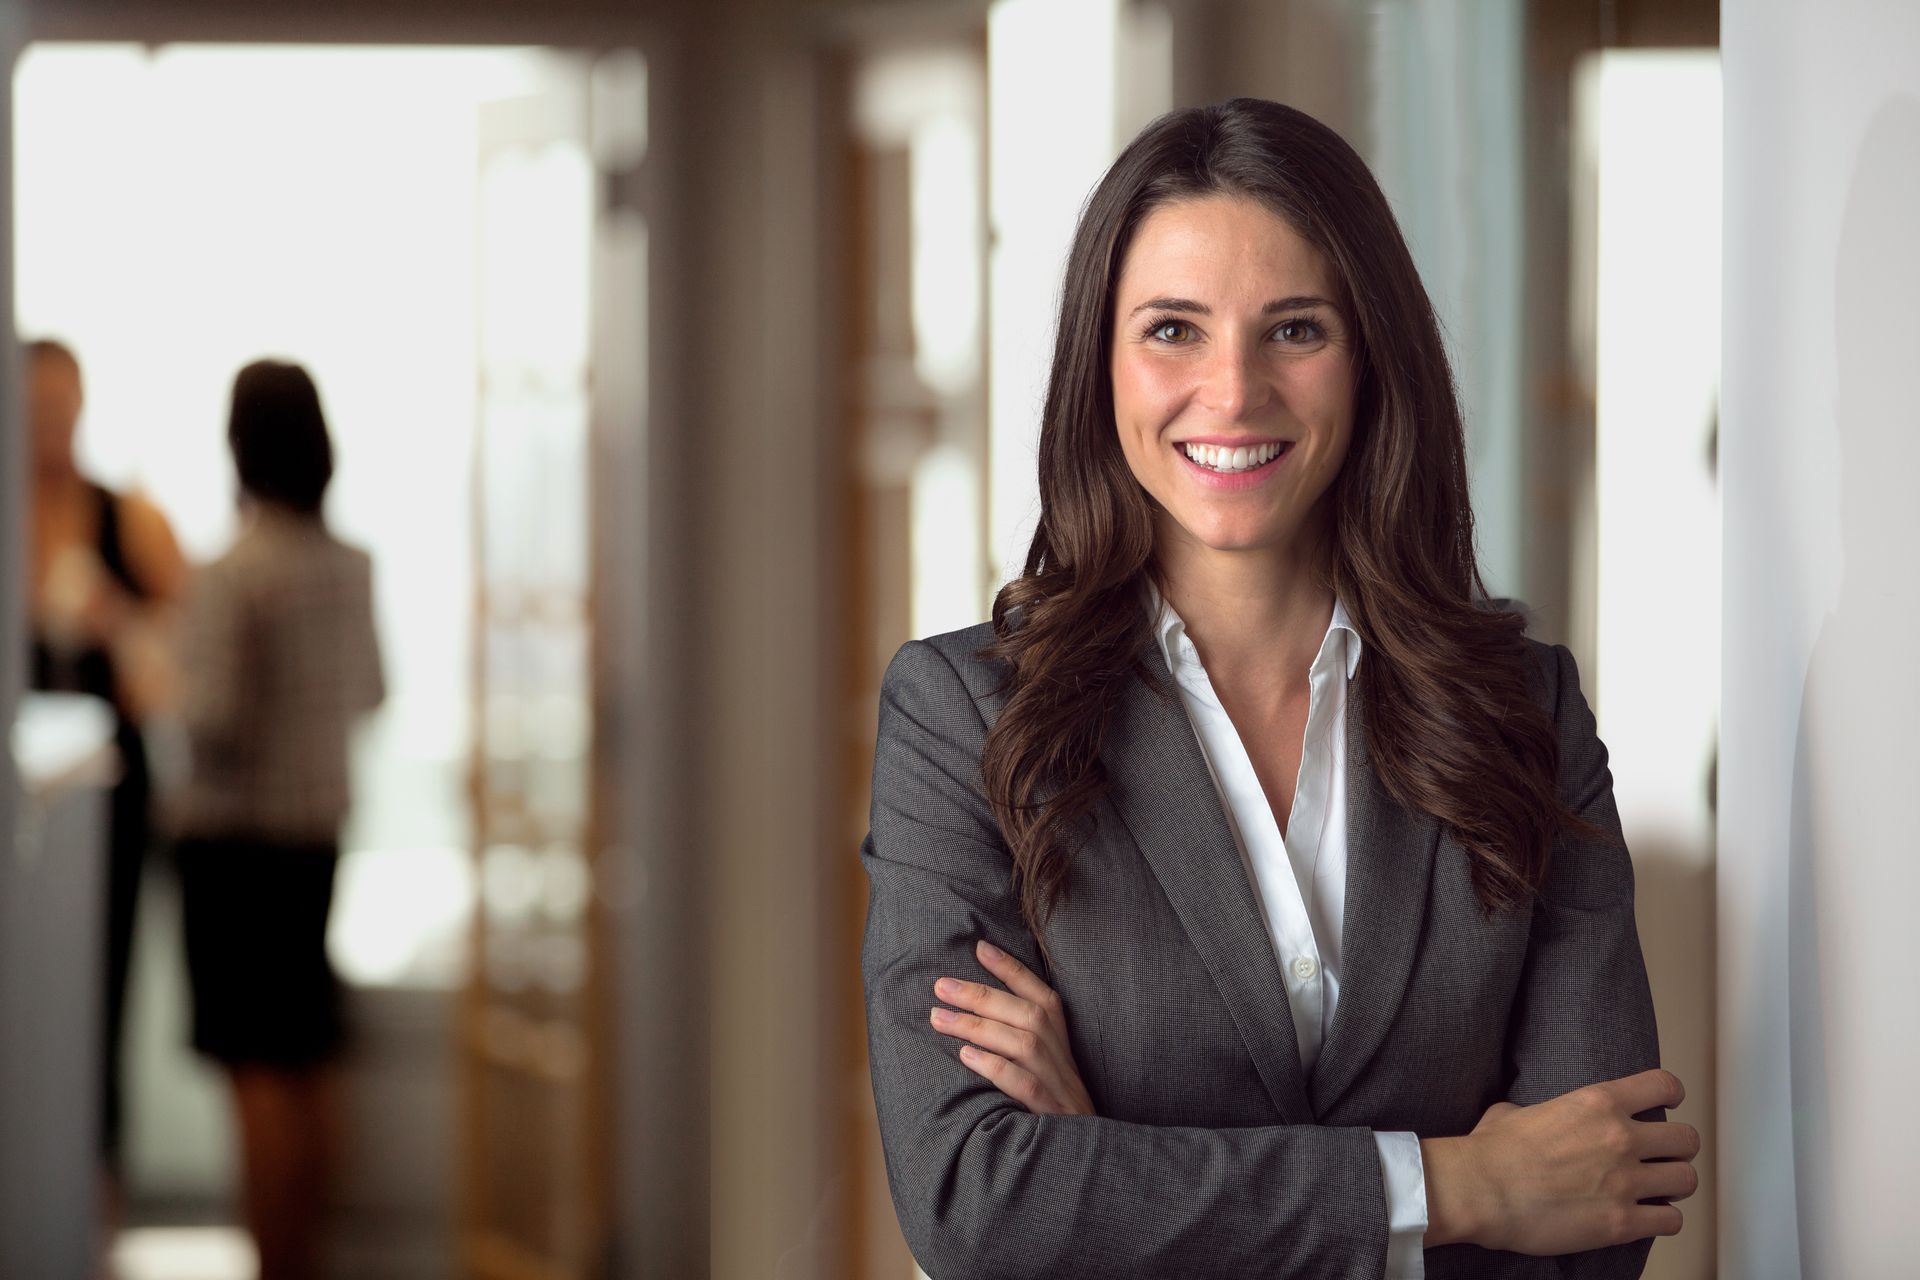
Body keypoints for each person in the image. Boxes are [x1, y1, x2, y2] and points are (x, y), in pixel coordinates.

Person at [860, 99, 1698, 1279]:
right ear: (1101, 365)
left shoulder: (1527, 713)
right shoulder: (965, 718)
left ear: (1370, 358)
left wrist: (1112, 1162)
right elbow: (976, 1199)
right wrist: (1458, 1183)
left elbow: (1601, 1208)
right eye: (1172, 330)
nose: (1234, 390)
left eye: (1294, 329)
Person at [173, 360, 384, 1280]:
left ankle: (274, 1263)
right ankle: (310, 1259)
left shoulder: (233, 573)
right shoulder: (351, 566)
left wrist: (153, 670)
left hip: (234, 849)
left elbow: (212, 719)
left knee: (255, 1072)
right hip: (314, 844)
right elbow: (374, 692)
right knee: (307, 1060)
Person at [25, 338, 188, 1188]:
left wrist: (115, 622)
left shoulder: (129, 516)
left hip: (109, 801)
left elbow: (185, 667)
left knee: (102, 998)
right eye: (36, 403)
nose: (51, 420)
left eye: (63, 401)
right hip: (21, 798)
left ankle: (97, 1202)